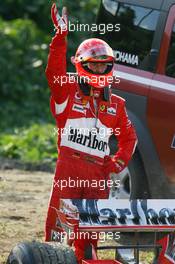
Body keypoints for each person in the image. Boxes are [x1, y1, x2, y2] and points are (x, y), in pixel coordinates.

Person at [45, 2, 137, 263]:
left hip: (98, 173)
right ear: (82, 64)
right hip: (68, 168)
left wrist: (117, 163)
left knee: (89, 237)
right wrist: (59, 39)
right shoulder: (67, 90)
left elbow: (130, 138)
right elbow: (53, 73)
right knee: (59, 231)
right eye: (93, 65)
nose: (99, 69)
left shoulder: (117, 104)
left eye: (103, 65)